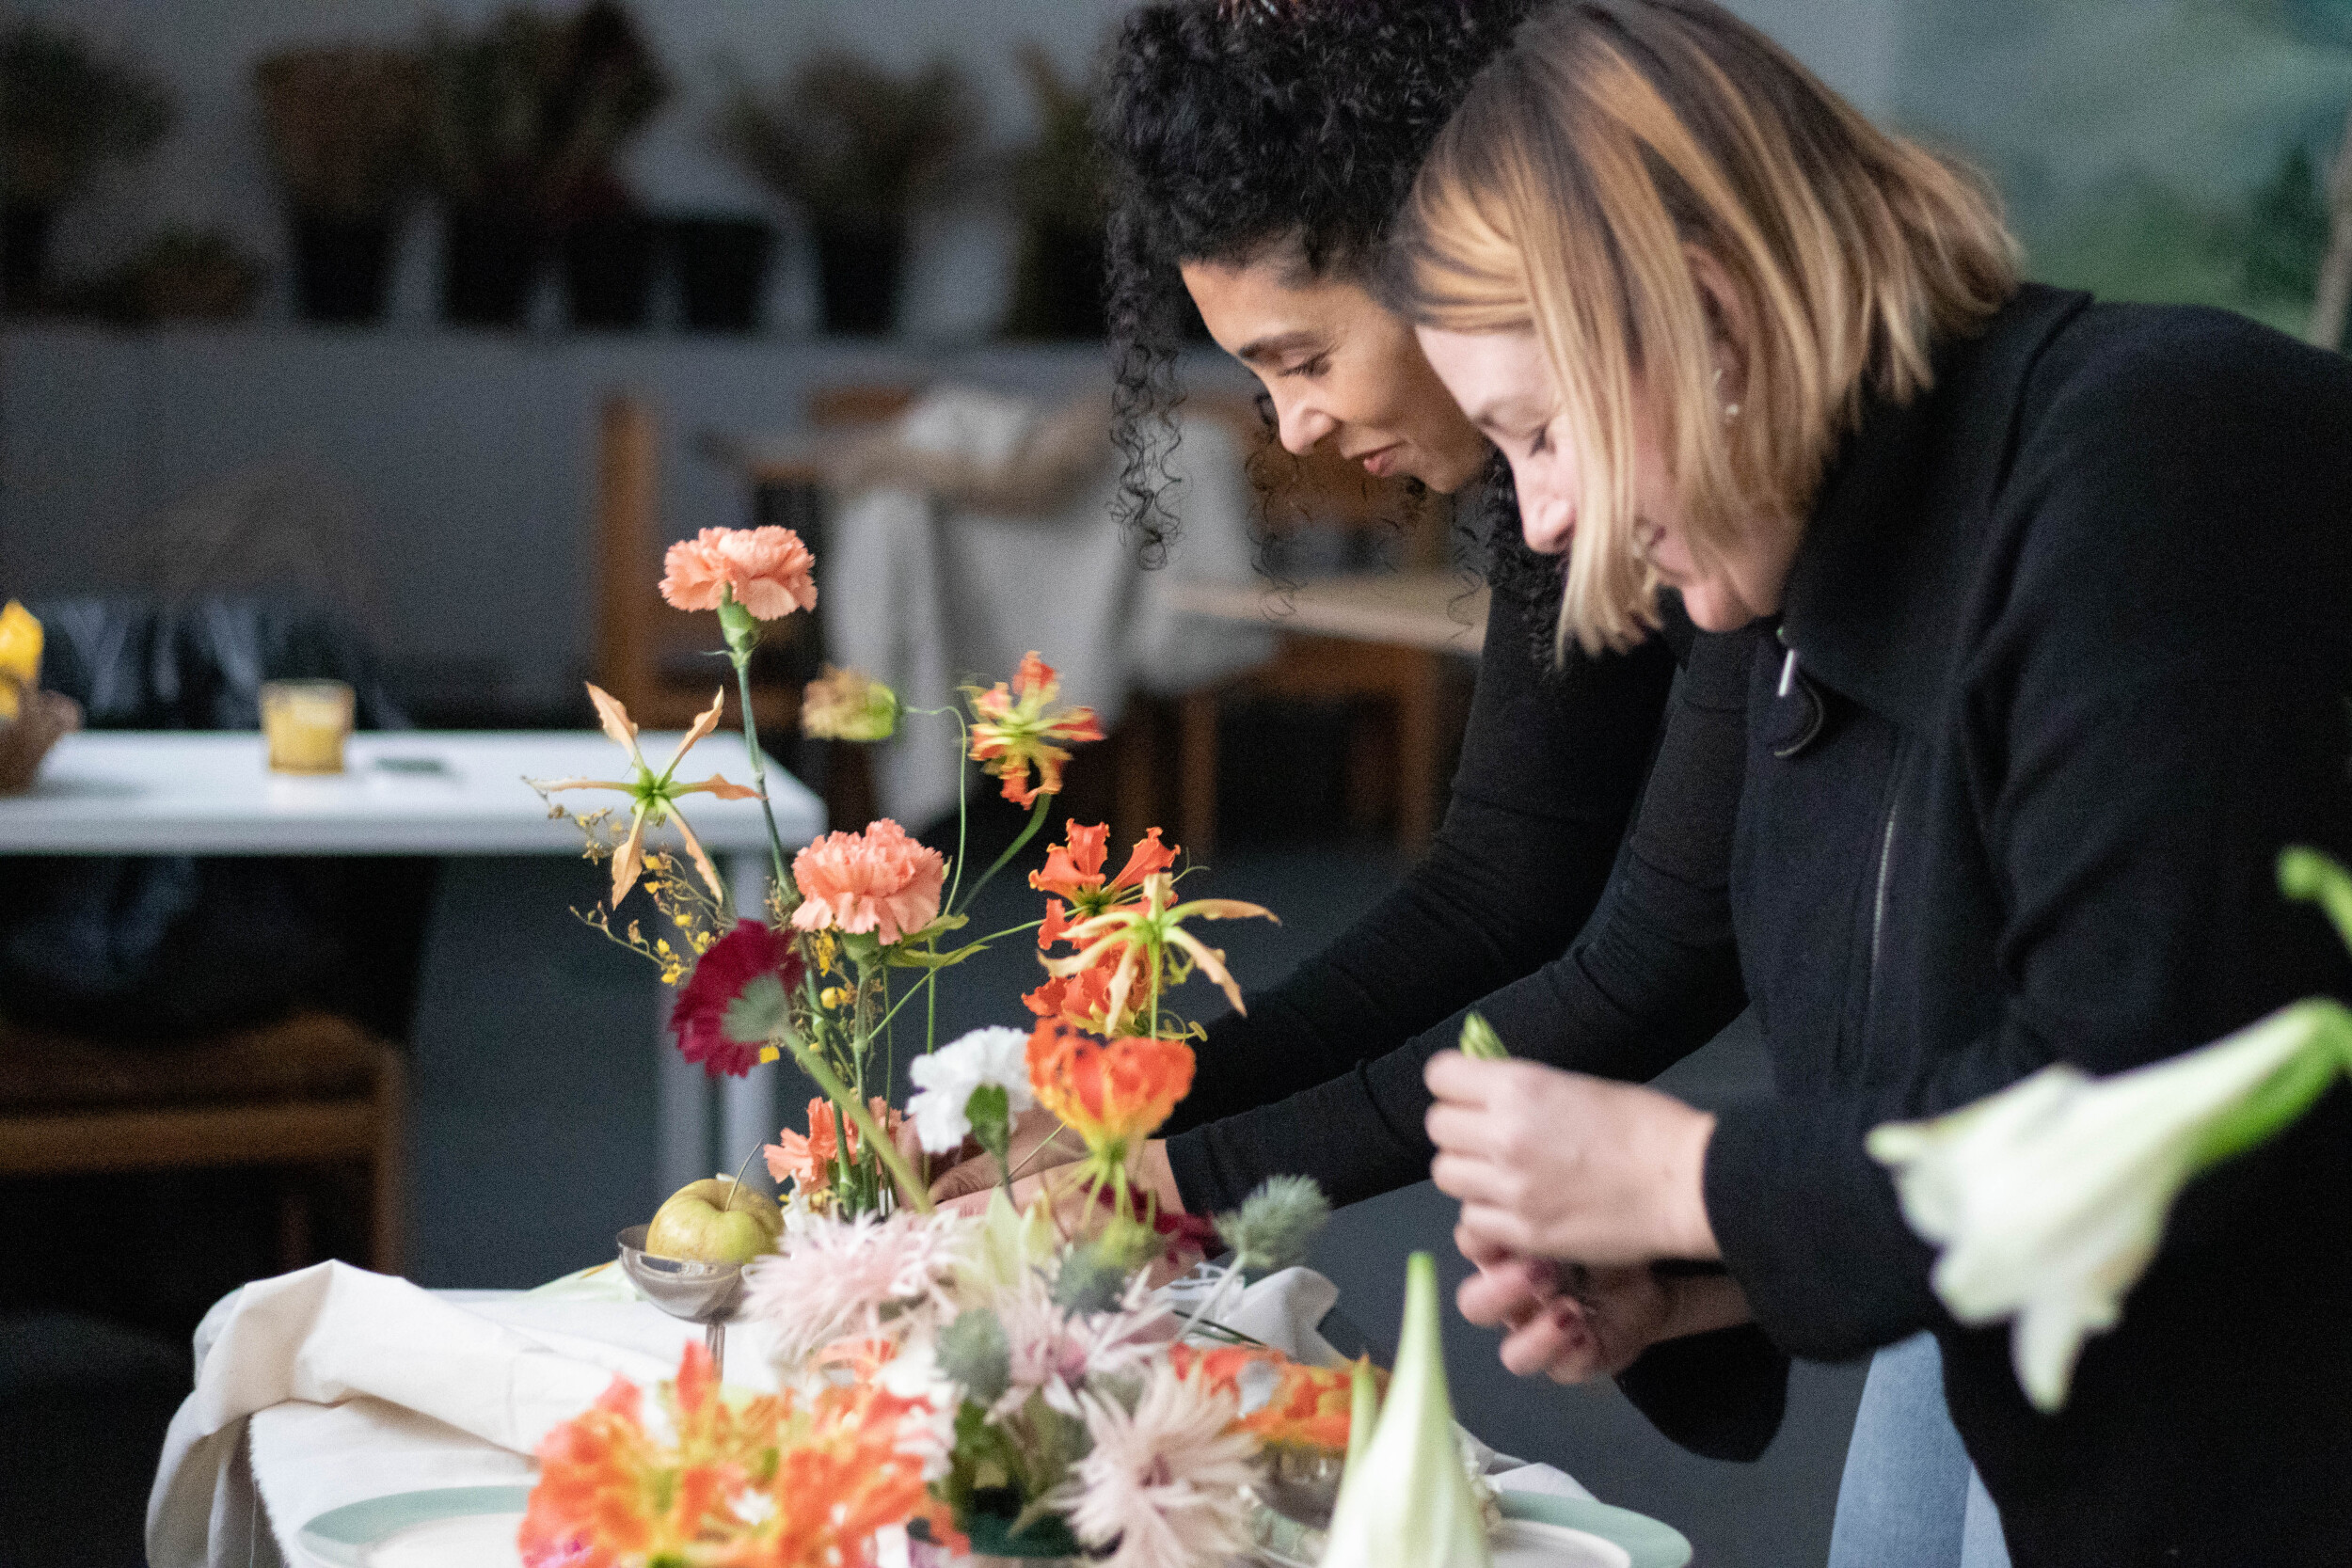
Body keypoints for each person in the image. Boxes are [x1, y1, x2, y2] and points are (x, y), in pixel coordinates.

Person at [930, 4, 2013, 1557]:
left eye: (1302, 357)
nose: (1292, 425)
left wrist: (1171, 1172)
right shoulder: (1571, 477)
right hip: (1960, 1190)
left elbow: (1661, 940)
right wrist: (1143, 1116)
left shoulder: (1759, 460)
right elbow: (1510, 880)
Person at [1391, 2, 2352, 1561]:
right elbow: (1933, 1093)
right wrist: (1697, 1269)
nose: (1546, 519)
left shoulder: (2158, 456)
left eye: (1544, 434)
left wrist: (1689, 1173)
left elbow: (2152, 1101)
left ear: (1708, 327)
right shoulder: (1813, 585)